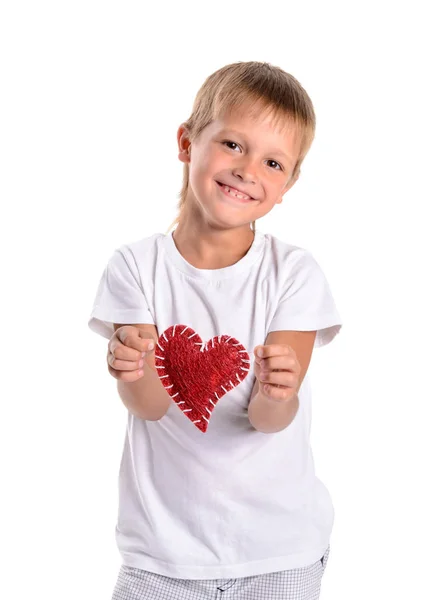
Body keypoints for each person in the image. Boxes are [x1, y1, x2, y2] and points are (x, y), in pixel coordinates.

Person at [88, 60, 343, 600]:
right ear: (186, 142)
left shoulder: (292, 275)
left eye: (273, 162)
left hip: (277, 552)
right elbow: (150, 406)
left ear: (288, 185)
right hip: (162, 553)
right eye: (232, 144)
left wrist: (281, 390)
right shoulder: (135, 267)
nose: (249, 169)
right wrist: (129, 370)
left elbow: (269, 419)